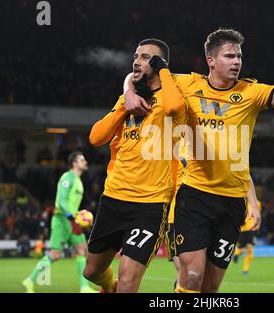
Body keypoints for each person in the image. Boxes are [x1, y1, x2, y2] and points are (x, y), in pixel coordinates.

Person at [124, 28, 274, 293]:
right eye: (229, 56)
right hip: (193, 196)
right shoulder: (186, 84)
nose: (237, 61)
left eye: (239, 56)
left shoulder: (251, 93)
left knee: (210, 288)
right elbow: (139, 73)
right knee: (192, 273)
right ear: (211, 61)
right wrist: (129, 93)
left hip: (232, 203)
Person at [82, 38, 183, 293]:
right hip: (114, 198)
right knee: (92, 272)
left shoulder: (173, 95)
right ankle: (109, 286)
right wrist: (124, 104)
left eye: (146, 57)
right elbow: (96, 137)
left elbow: (173, 106)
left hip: (150, 205)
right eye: (136, 56)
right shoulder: (128, 99)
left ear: (160, 65)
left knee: (128, 282)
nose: (137, 61)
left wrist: (163, 72)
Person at [22, 151, 95, 293]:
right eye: (82, 160)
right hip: (62, 220)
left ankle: (84, 287)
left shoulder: (79, 181)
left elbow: (71, 204)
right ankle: (29, 280)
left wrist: (79, 216)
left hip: (72, 221)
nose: (85, 162)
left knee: (83, 251)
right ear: (74, 163)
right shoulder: (67, 177)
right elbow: (61, 201)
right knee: (55, 254)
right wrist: (72, 218)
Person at [233, 180, 262, 275]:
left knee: (249, 250)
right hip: (245, 229)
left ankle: (245, 269)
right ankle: (237, 253)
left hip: (250, 229)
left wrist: (258, 227)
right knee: (246, 249)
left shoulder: (257, 203)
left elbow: (258, 216)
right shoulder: (244, 201)